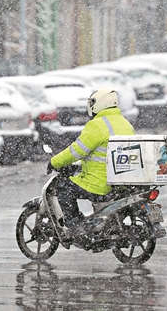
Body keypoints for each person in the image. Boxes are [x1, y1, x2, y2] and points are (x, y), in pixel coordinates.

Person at [47, 87, 135, 233]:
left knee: (64, 187)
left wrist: (54, 162)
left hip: (100, 183)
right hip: (120, 183)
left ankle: (76, 228)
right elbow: (104, 154)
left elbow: (76, 151)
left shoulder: (98, 124)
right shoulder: (125, 124)